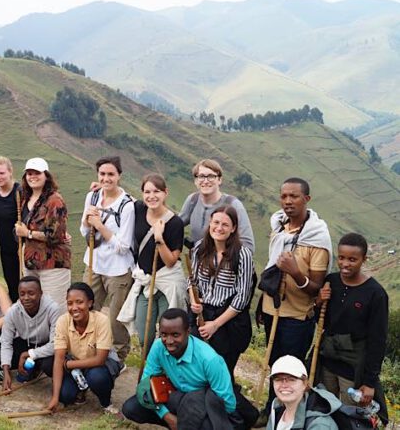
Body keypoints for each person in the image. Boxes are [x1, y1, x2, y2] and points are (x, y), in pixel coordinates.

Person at [257, 177, 332, 425]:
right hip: (272, 309)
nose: (288, 201)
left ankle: (293, 418)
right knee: (274, 366)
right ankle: (272, 412)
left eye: (294, 196)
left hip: (297, 317)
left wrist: (295, 272)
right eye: (284, 196)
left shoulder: (317, 237)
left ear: (306, 200)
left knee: (291, 371)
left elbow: (316, 288)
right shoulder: (279, 226)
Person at [122, 308, 237, 429]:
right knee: (132, 407)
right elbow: (145, 386)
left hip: (200, 405)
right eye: (164, 335)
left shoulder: (210, 359)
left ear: (188, 332)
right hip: (176, 397)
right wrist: (167, 416)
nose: (169, 341)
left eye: (175, 335)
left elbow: (228, 404)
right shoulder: (158, 346)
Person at [316, 233, 389, 425]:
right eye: (341, 257)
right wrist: (319, 301)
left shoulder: (376, 294)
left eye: (352, 259)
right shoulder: (331, 281)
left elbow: (378, 341)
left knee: (350, 417)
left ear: (364, 259)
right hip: (328, 361)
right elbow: (320, 320)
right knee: (324, 409)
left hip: (353, 367)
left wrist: (369, 383)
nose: (345, 264)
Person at [118, 173, 185, 351]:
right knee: (143, 333)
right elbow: (120, 198)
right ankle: (149, 366)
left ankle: (165, 370)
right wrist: (100, 189)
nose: (152, 196)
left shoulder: (175, 223)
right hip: (145, 280)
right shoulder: (139, 208)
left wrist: (159, 238)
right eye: (147, 192)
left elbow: (171, 261)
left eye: (157, 191)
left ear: (165, 193)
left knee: (167, 333)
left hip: (167, 283)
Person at [189, 206, 254, 384]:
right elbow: (192, 281)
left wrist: (215, 325)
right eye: (216, 222)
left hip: (228, 321)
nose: (219, 228)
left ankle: (224, 407)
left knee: (221, 371)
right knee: (195, 365)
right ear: (210, 223)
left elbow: (242, 297)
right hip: (201, 314)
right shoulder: (198, 249)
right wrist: (194, 300)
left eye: (225, 224)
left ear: (233, 228)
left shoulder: (243, 255)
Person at [80, 156, 134, 361]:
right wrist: (87, 221)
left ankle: (118, 356)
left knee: (116, 318)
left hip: (118, 269)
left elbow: (123, 246)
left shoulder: (126, 205)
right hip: (93, 263)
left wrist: (100, 225)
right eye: (102, 174)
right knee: (87, 308)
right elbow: (83, 230)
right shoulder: (92, 197)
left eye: (111, 174)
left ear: (119, 175)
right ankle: (88, 348)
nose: (106, 178)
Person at [47, 282, 122, 414]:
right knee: (65, 397)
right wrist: (55, 397)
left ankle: (106, 403)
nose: (74, 307)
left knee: (97, 378)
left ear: (90, 303)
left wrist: (69, 364)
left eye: (79, 302)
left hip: (99, 365)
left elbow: (100, 359)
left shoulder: (101, 320)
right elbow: (59, 360)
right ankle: (81, 388)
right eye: (70, 303)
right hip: (76, 365)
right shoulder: (63, 321)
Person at [14, 157, 71, 309]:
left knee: (55, 308)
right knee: (34, 308)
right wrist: (19, 232)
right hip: (31, 264)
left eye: (37, 173)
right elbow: (21, 230)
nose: (33, 176)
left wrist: (28, 233)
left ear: (46, 175)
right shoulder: (25, 199)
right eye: (29, 173)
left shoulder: (55, 200)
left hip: (53, 265)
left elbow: (55, 235)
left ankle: (57, 334)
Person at [179, 159, 255, 252]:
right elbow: (176, 225)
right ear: (196, 181)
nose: (206, 181)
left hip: (225, 263)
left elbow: (248, 245)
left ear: (219, 180)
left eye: (211, 176)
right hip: (198, 263)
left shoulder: (233, 205)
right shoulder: (192, 200)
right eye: (201, 176)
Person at [0, 276, 61, 391]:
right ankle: (33, 369)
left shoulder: (53, 309)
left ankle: (39, 368)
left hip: (46, 345)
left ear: (41, 293)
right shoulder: (13, 311)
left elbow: (55, 344)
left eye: (31, 293)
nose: (26, 298)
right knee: (2, 360)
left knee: (49, 365)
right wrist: (6, 372)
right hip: (26, 343)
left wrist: (28, 354)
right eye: (22, 294)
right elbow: (6, 342)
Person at [266, 355, 340, 430]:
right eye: (278, 379)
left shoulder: (320, 425)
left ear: (305, 384)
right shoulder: (276, 407)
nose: (284, 385)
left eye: (292, 379)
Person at [0, 156, 21, 303]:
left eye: (1, 173)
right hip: (5, 249)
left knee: (26, 287)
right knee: (12, 286)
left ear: (10, 172)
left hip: (21, 249)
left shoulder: (19, 191)